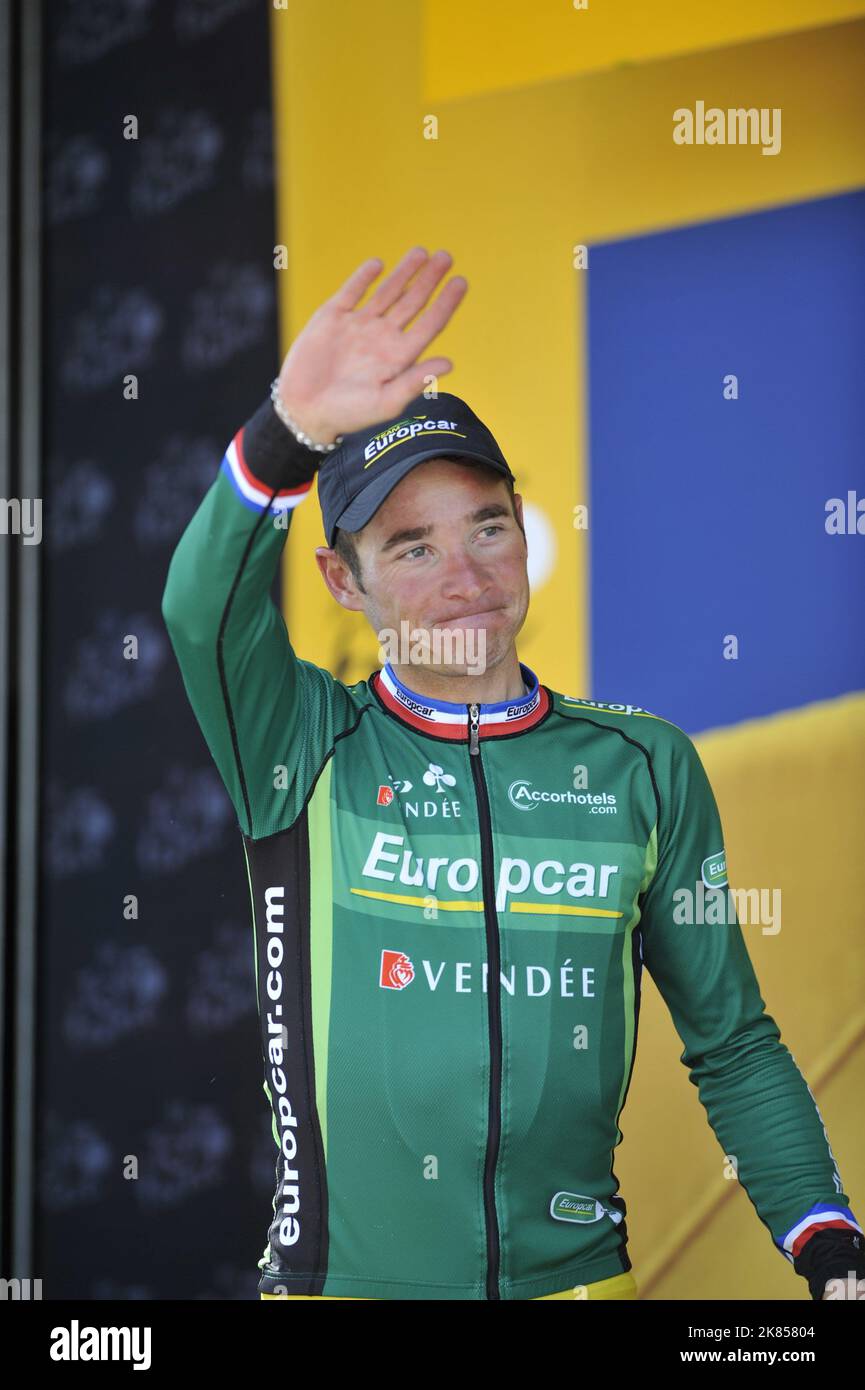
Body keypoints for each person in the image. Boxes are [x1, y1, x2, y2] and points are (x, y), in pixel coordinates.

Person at [162, 247, 863, 1301]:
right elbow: (196, 609)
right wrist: (285, 436)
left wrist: (830, 1246)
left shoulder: (642, 765)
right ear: (340, 581)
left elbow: (734, 1045)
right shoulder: (300, 744)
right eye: (412, 548)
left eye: (488, 526)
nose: (467, 574)